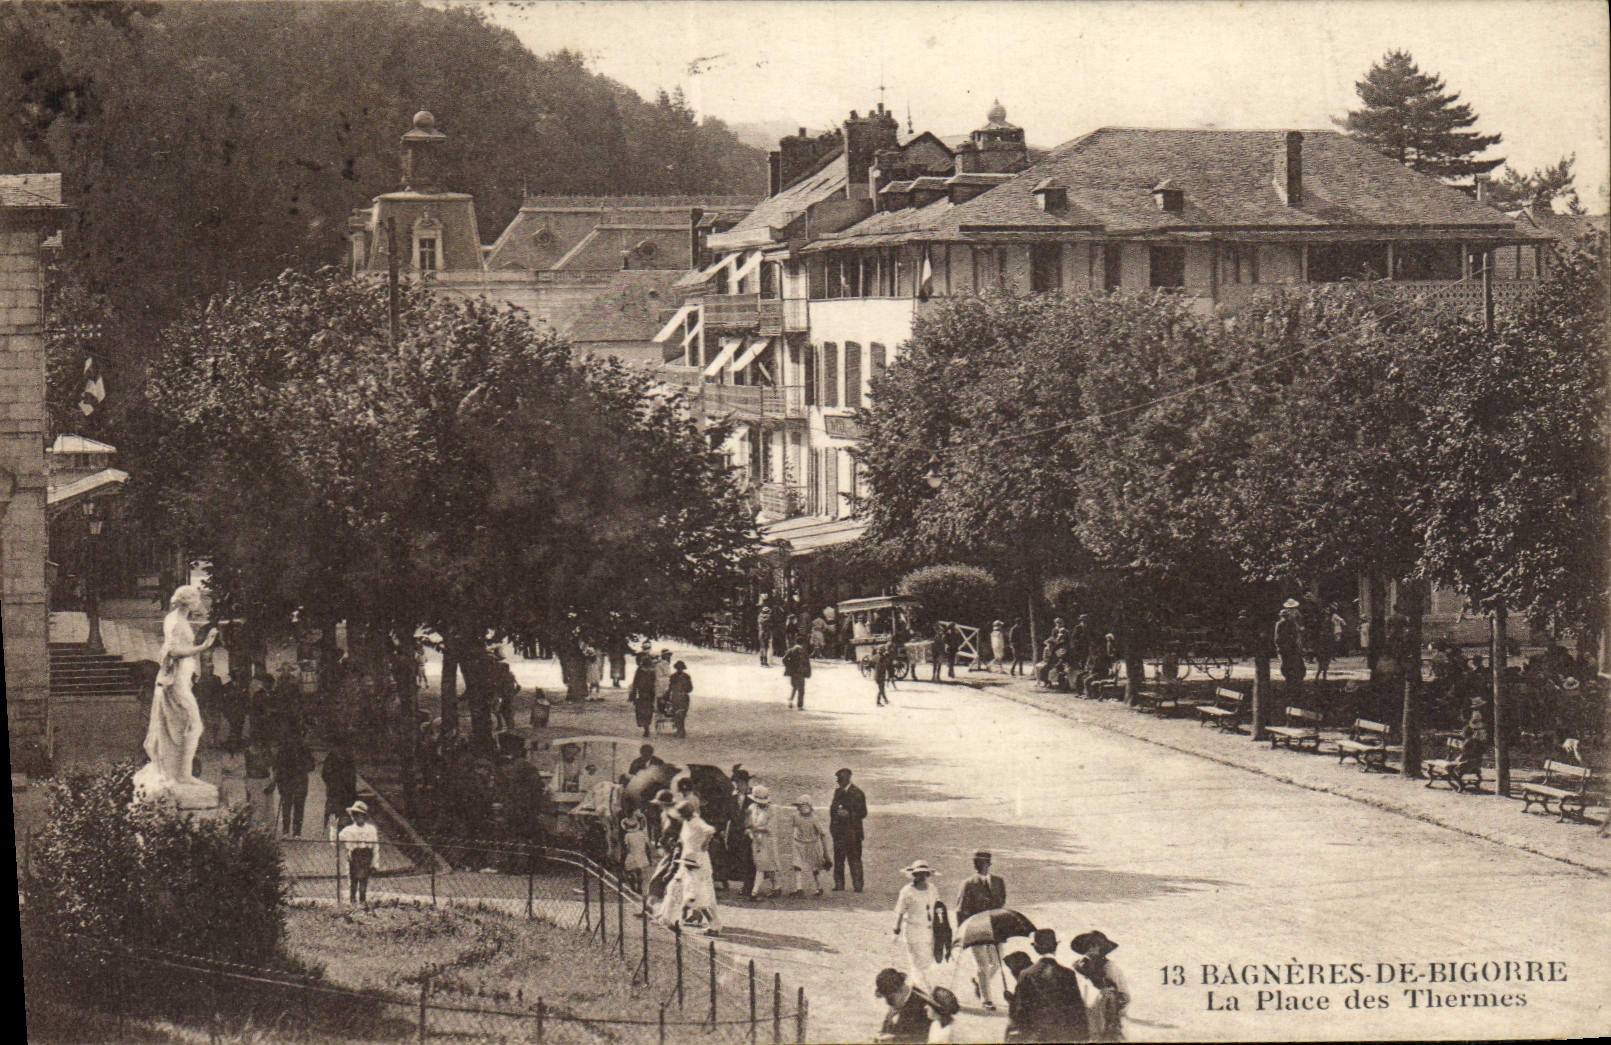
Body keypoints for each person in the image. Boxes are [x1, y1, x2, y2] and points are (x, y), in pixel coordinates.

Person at [134, 585, 220, 805]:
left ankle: (182, 773)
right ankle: (182, 775)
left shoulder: (178, 619)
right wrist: (203, 647)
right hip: (176, 683)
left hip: (181, 680)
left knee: (184, 727)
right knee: (193, 725)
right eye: (197, 599)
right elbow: (173, 651)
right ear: (188, 602)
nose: (200, 602)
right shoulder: (175, 621)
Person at [1007, 928, 1089, 1043]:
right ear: (1055, 946)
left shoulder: (1026, 974)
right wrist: (1083, 1037)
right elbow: (1077, 1008)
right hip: (1062, 1035)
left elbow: (1020, 1010)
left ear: (1035, 948)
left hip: (1036, 1035)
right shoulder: (1067, 973)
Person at [956, 850, 1008, 1011]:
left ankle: (979, 982)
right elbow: (960, 909)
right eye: (977, 864)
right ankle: (986, 999)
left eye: (983, 864)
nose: (980, 867)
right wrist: (963, 933)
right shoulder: (969, 884)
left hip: (994, 928)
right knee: (983, 965)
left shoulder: (999, 882)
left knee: (997, 963)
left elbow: (1002, 903)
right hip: (976, 929)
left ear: (989, 865)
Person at [676, 798, 723, 934]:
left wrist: (705, 843)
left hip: (698, 862)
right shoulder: (687, 822)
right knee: (693, 893)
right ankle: (713, 924)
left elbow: (710, 830)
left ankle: (714, 926)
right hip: (689, 861)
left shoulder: (696, 821)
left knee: (700, 895)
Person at [1072, 931, 1129, 1042]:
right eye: (1088, 945)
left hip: (1105, 1021)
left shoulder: (1110, 967)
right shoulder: (1076, 967)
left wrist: (1110, 1004)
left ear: (1101, 948)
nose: (1091, 948)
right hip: (1083, 1021)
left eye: (1095, 945)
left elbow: (1125, 996)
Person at [893, 861, 940, 991]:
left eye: (924, 874)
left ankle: (920, 989)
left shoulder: (932, 889)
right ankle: (923, 990)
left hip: (929, 931)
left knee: (927, 962)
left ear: (928, 875)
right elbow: (900, 912)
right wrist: (896, 930)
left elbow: (937, 908)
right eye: (918, 874)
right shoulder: (907, 891)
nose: (921, 877)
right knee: (916, 963)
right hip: (913, 931)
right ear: (913, 875)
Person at [829, 768, 867, 892]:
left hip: (853, 833)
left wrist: (849, 814)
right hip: (839, 833)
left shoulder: (858, 793)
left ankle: (858, 885)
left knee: (854, 858)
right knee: (839, 859)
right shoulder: (838, 792)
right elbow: (833, 810)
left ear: (848, 779)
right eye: (839, 780)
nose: (839, 782)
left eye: (841, 779)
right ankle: (839, 885)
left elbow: (863, 812)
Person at [873, 968, 933, 1044]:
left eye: (889, 999)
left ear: (901, 990)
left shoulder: (923, 1006)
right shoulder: (897, 1004)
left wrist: (895, 1040)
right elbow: (888, 1027)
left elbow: (925, 1037)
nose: (887, 1003)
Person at [337, 800, 379, 904]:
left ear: (364, 816)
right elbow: (337, 839)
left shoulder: (371, 829)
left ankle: (362, 901)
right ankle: (352, 901)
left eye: (360, 815)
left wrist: (375, 863)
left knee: (363, 880)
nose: (357, 818)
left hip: (366, 857)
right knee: (353, 880)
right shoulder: (349, 830)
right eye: (354, 815)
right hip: (354, 857)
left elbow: (375, 846)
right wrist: (334, 827)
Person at [726, 766, 757, 898]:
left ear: (747, 784)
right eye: (738, 783)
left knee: (748, 860)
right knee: (738, 859)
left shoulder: (752, 800)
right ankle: (744, 884)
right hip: (734, 833)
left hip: (747, 834)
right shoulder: (731, 800)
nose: (740, 786)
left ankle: (748, 886)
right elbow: (727, 815)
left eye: (742, 783)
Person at [789, 795, 829, 896]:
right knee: (797, 865)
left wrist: (825, 852)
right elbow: (795, 828)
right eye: (799, 806)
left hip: (812, 843)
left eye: (801, 806)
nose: (799, 808)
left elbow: (822, 833)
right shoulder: (796, 816)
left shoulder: (814, 818)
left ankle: (818, 887)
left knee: (815, 867)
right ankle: (799, 888)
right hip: (799, 843)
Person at [746, 784, 781, 898]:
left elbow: (770, 828)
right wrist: (750, 831)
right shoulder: (751, 808)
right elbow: (748, 822)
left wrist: (755, 828)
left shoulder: (772, 810)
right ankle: (777, 886)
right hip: (756, 840)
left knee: (763, 866)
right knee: (763, 866)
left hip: (768, 841)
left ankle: (754, 892)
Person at [321, 735, 358, 835]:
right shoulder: (332, 757)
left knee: (344, 809)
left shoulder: (347, 758)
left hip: (345, 789)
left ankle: (343, 829)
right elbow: (325, 774)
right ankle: (340, 830)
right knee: (339, 809)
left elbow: (353, 774)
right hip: (338, 789)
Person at [1275, 598, 1306, 704]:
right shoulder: (1281, 624)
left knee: (1298, 670)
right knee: (1289, 670)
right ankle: (1292, 693)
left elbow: (1298, 632)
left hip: (1293, 649)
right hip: (1286, 650)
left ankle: (1296, 692)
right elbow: (1278, 639)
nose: (1292, 611)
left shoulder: (1293, 621)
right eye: (1290, 609)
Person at [629, 648, 657, 738]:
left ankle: (646, 727)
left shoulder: (641, 671)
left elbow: (635, 683)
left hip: (643, 694)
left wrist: (633, 695)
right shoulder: (650, 671)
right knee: (647, 712)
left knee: (643, 712)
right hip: (647, 695)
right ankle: (646, 727)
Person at [622, 812, 652, 893]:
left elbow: (627, 846)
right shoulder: (641, 834)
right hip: (641, 854)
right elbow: (647, 846)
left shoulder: (628, 836)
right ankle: (639, 886)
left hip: (632, 854)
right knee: (639, 872)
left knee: (630, 871)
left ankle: (633, 886)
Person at [666, 660, 693, 737]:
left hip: (678, 697)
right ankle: (680, 730)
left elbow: (690, 688)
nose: (679, 669)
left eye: (680, 668)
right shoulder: (685, 676)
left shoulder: (674, 676)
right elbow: (690, 688)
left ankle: (680, 730)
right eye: (679, 668)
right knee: (679, 714)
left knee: (680, 714)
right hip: (680, 697)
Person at [782, 640, 811, 709]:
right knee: (801, 689)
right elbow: (807, 663)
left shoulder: (791, 650)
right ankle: (799, 705)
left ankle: (790, 701)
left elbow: (784, 659)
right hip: (800, 672)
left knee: (795, 687)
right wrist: (807, 672)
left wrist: (790, 667)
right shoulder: (803, 651)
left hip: (794, 672)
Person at [756, 596, 775, 667]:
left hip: (760, 632)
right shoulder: (769, 617)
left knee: (761, 646)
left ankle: (761, 661)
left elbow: (758, 623)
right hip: (766, 632)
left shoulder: (760, 616)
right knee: (766, 647)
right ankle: (765, 661)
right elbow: (772, 624)